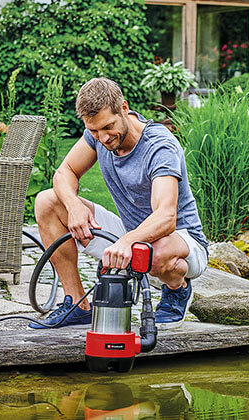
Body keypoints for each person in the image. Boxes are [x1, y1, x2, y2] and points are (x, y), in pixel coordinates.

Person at [31, 77, 208, 329]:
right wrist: (74, 206)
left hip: (182, 240)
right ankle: (77, 305)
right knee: (47, 201)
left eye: (107, 127)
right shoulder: (98, 135)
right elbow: (64, 172)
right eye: (94, 131)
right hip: (132, 234)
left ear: (124, 108)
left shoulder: (159, 146)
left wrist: (127, 241)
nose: (102, 138)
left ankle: (176, 288)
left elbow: (166, 217)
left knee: (152, 253)